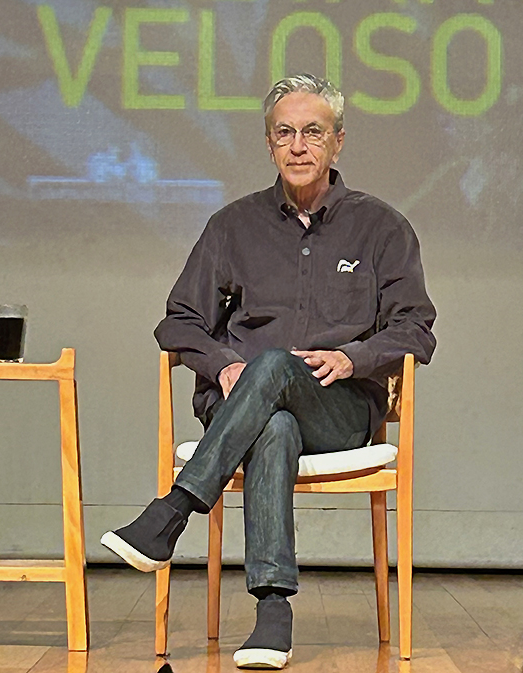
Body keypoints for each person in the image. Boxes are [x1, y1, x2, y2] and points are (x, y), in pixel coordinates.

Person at [101, 74, 436, 670]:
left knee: (278, 368)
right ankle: (273, 611)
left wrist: (352, 357)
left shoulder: (382, 227)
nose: (298, 146)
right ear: (268, 144)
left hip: (336, 407)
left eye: (312, 132)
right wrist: (225, 365)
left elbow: (415, 328)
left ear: (338, 142)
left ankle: (171, 514)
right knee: (272, 421)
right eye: (285, 133)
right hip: (244, 406)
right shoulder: (233, 226)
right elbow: (178, 323)